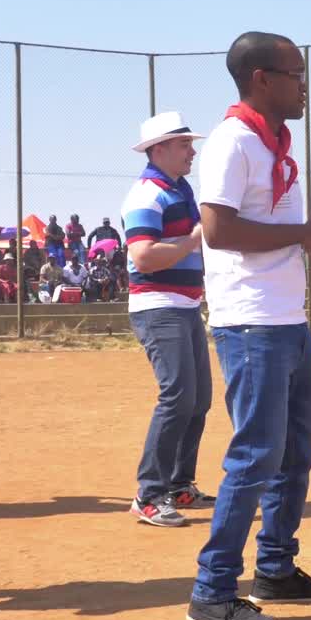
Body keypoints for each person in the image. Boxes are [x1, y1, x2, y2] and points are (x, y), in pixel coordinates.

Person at [187, 31, 311, 620]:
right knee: (256, 456)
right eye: (295, 73)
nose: (303, 85)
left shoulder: (274, 142)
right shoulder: (232, 142)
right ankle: (212, 593)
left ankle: (276, 569)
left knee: (297, 451)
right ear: (261, 78)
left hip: (287, 321)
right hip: (251, 324)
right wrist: (303, 234)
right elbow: (220, 231)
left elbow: (264, 226)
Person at [121, 111, 212, 528]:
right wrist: (194, 239)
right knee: (178, 396)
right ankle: (149, 494)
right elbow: (143, 256)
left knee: (197, 399)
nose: (191, 151)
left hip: (184, 305)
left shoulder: (179, 189)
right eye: (183, 144)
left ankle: (178, 484)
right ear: (159, 150)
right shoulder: (147, 194)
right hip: (158, 306)